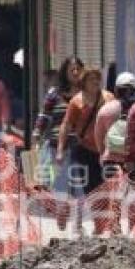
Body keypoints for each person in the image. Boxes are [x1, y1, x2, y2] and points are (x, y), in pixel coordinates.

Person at [57, 69, 114, 234]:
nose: (95, 82)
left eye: (97, 78)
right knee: (76, 185)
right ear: (84, 83)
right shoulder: (77, 102)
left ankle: (99, 225)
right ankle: (66, 213)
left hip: (101, 152)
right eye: (91, 79)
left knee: (97, 190)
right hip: (82, 150)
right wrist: (60, 149)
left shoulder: (108, 99)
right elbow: (66, 125)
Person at [33, 57, 84, 230]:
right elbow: (44, 116)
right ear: (65, 72)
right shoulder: (54, 94)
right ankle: (63, 211)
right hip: (57, 148)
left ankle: (77, 225)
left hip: (81, 147)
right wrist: (37, 134)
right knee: (61, 186)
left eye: (78, 69)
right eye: (72, 69)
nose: (75, 72)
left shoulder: (87, 94)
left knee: (80, 186)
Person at [94, 71, 135, 173]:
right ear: (134, 90)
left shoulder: (106, 109)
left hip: (110, 162)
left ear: (116, 90)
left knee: (112, 189)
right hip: (133, 163)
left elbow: (99, 138)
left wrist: (103, 152)